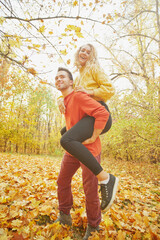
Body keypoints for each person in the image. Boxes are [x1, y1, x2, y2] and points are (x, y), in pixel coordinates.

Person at [54, 67, 119, 240]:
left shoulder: (79, 96)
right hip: (73, 149)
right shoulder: (65, 102)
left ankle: (94, 225)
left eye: (62, 77)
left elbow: (102, 113)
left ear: (71, 82)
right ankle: (64, 215)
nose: (58, 79)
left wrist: (94, 136)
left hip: (89, 150)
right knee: (62, 180)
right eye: (56, 78)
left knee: (90, 188)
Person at [57, 44, 116, 211]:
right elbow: (72, 94)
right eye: (82, 50)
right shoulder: (79, 75)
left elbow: (110, 89)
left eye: (88, 52)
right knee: (65, 132)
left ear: (92, 56)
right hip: (87, 116)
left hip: (99, 113)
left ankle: (105, 178)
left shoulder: (93, 69)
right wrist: (60, 100)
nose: (84, 53)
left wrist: (89, 91)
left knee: (67, 138)